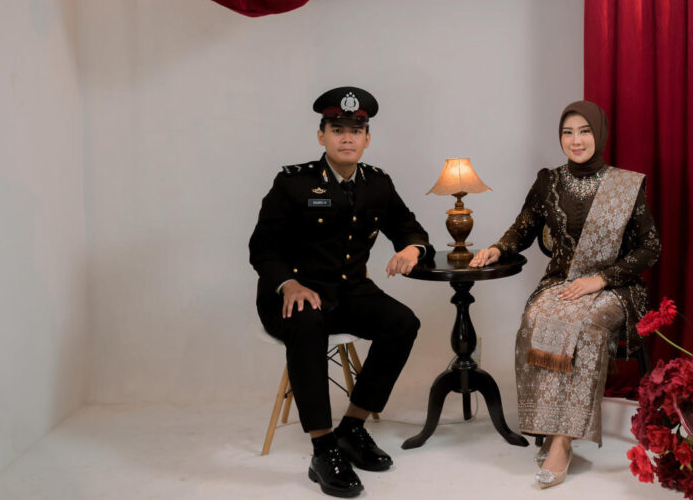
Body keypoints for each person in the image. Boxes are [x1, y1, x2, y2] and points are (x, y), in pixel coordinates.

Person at [249, 87, 434, 498]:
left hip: (349, 292)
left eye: (355, 131)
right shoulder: (293, 183)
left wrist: (411, 249)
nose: (346, 138)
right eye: (337, 130)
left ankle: (352, 427)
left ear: (367, 138)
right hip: (291, 294)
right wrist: (289, 284)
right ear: (322, 136)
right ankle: (323, 448)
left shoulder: (377, 184)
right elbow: (262, 248)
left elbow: (410, 229)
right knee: (307, 322)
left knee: (403, 323)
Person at [469, 100, 661, 490]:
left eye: (584, 131)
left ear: (599, 134)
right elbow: (523, 228)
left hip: (616, 287)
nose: (576, 140)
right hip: (561, 282)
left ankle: (562, 441)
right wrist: (497, 248)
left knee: (585, 324)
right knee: (536, 317)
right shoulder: (549, 182)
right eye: (568, 132)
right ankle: (549, 425)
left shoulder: (624, 185)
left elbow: (650, 247)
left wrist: (601, 279)